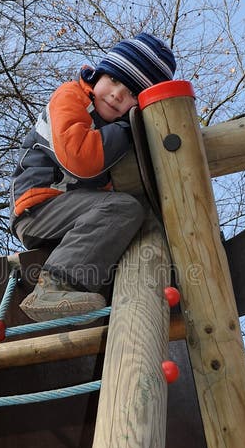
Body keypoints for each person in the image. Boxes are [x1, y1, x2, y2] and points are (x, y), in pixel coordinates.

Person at [10, 33, 177, 321]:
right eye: (114, 80)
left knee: (140, 211)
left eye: (132, 93)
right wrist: (127, 130)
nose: (117, 94)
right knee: (123, 207)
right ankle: (54, 286)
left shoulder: (112, 128)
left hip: (73, 210)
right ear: (98, 75)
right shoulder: (71, 96)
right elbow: (80, 159)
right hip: (39, 205)